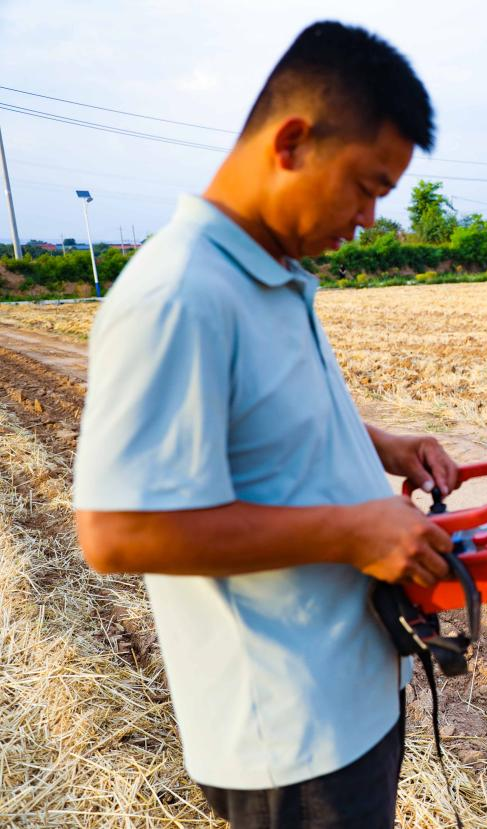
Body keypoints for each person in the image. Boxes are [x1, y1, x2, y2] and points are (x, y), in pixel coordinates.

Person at [73, 21, 455, 829]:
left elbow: (264, 423)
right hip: (290, 738)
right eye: (367, 185)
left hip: (348, 695)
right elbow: (115, 531)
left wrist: (379, 446)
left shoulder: (268, 274)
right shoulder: (179, 295)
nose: (369, 217)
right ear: (291, 141)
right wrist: (352, 530)